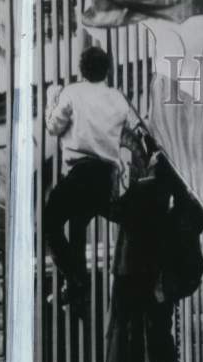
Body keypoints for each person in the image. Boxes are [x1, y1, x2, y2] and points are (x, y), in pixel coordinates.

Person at [103, 149, 203, 362]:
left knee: (131, 325)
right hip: (154, 273)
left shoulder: (149, 189)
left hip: (140, 270)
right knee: (154, 329)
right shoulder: (174, 200)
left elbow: (116, 208)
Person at [44, 45, 141, 313]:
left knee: (49, 222)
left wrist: (51, 98)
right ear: (107, 69)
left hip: (80, 174)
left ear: (81, 70)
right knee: (77, 226)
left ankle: (76, 283)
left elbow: (53, 127)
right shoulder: (119, 99)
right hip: (106, 178)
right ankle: (75, 294)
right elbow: (133, 130)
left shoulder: (72, 93)